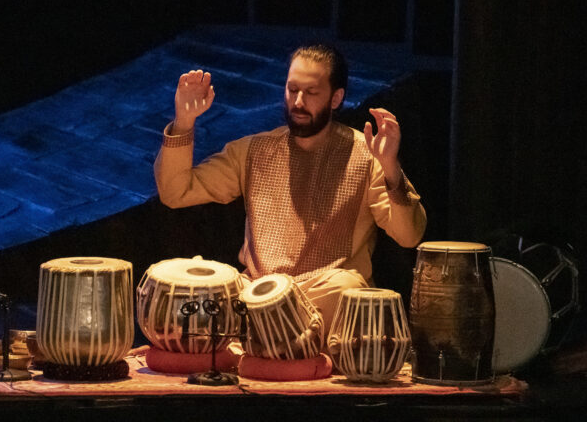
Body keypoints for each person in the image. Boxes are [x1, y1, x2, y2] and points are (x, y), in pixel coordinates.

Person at [154, 44, 426, 335]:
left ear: (336, 98)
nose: (298, 101)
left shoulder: (365, 155)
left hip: (324, 299)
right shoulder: (253, 151)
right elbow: (175, 192)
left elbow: (409, 236)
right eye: (292, 89)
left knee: (347, 289)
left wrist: (390, 169)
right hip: (257, 294)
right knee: (199, 281)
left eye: (310, 93)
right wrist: (183, 123)